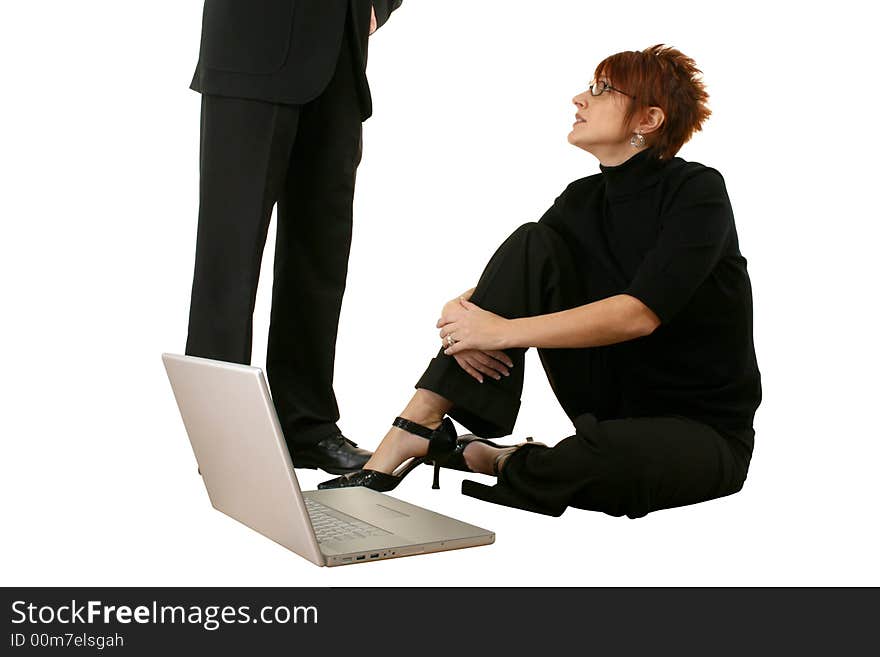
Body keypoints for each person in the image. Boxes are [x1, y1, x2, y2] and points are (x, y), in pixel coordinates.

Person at [320, 45, 762, 519]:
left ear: (648, 119)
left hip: (701, 431)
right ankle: (416, 422)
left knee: (599, 463)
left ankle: (486, 455)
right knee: (533, 240)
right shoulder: (581, 199)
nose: (579, 98)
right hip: (610, 401)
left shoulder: (696, 191)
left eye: (601, 89)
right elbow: (523, 272)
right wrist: (463, 310)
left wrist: (499, 332)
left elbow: (639, 314)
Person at [184, 1, 403, 475]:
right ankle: (220, 432)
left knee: (320, 257)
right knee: (232, 256)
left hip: (340, 59)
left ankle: (306, 428)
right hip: (250, 52)